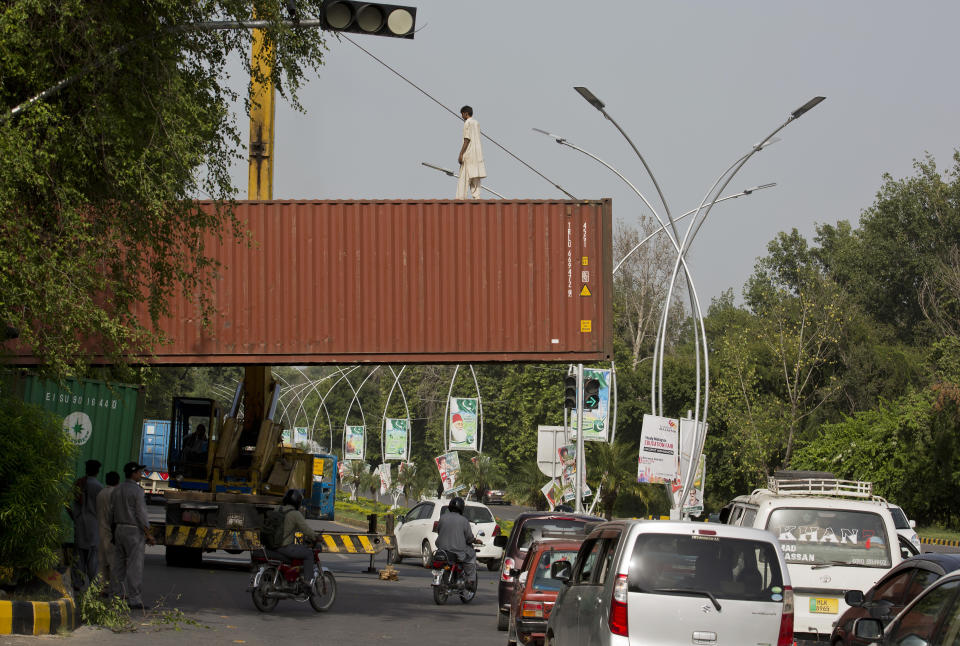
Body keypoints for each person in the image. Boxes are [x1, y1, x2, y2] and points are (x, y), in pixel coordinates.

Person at [111, 462, 155, 609]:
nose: (141, 475)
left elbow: (112, 511)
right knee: (134, 566)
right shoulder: (137, 491)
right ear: (134, 473)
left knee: (118, 565)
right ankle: (134, 599)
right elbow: (141, 514)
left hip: (119, 529)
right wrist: (148, 534)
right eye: (139, 472)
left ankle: (115, 596)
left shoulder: (117, 489)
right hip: (133, 531)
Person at [435, 497, 481, 590]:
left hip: (442, 549)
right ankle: (470, 581)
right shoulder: (464, 520)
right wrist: (475, 540)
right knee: (471, 555)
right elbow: (469, 538)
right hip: (457, 551)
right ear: (462, 508)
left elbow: (439, 531)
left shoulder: (442, 517)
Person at [71, 459, 104, 588]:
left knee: (79, 555)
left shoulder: (79, 484)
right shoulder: (98, 487)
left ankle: (77, 582)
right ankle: (94, 584)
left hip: (79, 524)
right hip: (93, 525)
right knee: (93, 556)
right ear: (97, 471)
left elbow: (72, 505)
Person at [275, 489, 318, 564]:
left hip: (272, 545)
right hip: (284, 547)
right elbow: (306, 529)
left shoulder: (277, 509)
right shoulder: (295, 514)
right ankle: (309, 576)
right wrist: (316, 537)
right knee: (309, 554)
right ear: (298, 502)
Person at [96, 471, 120, 593]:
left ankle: (102, 588)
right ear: (118, 481)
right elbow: (115, 514)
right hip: (111, 531)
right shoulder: (115, 494)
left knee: (102, 561)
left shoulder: (101, 493)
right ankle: (115, 589)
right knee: (113, 562)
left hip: (101, 530)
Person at [456, 105, 486, 199]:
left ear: (465, 113)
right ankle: (477, 198)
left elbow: (467, 139)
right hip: (477, 155)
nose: (462, 116)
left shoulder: (467, 123)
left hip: (469, 154)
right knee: (476, 177)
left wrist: (461, 154)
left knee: (464, 178)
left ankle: (460, 199)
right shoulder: (476, 123)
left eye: (462, 114)